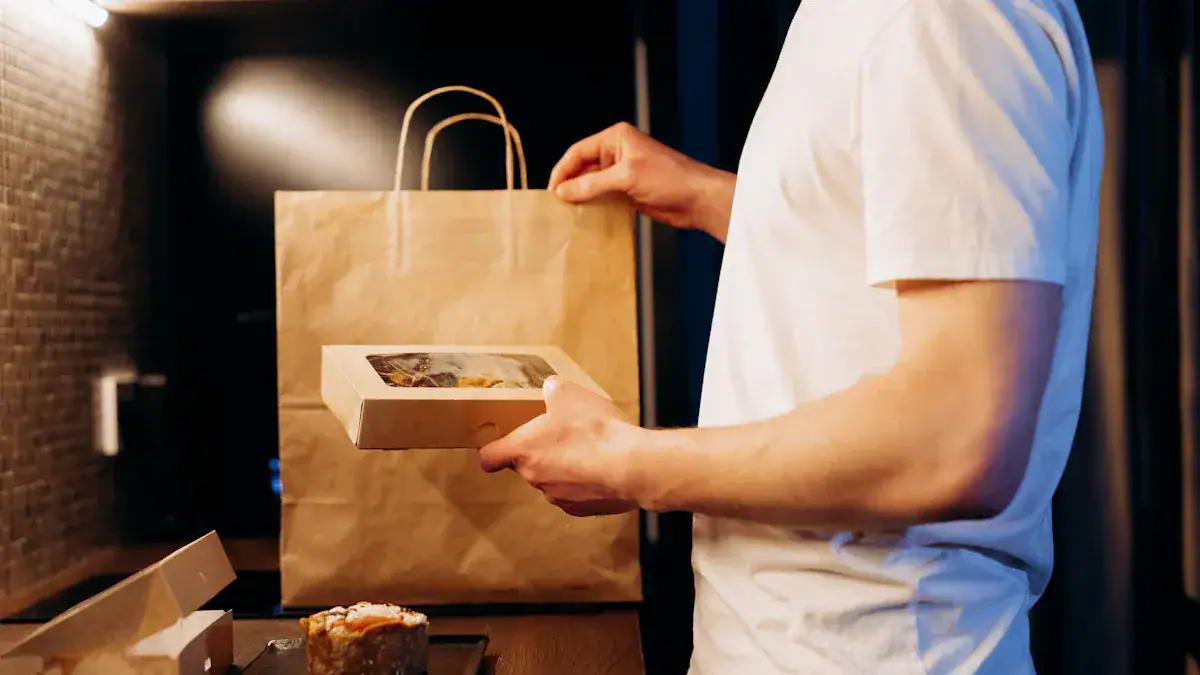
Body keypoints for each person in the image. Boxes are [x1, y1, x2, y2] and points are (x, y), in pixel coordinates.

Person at [478, 0, 1103, 672]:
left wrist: (625, 462)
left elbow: (958, 435)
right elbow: (884, 227)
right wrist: (716, 196)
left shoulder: (943, 14)